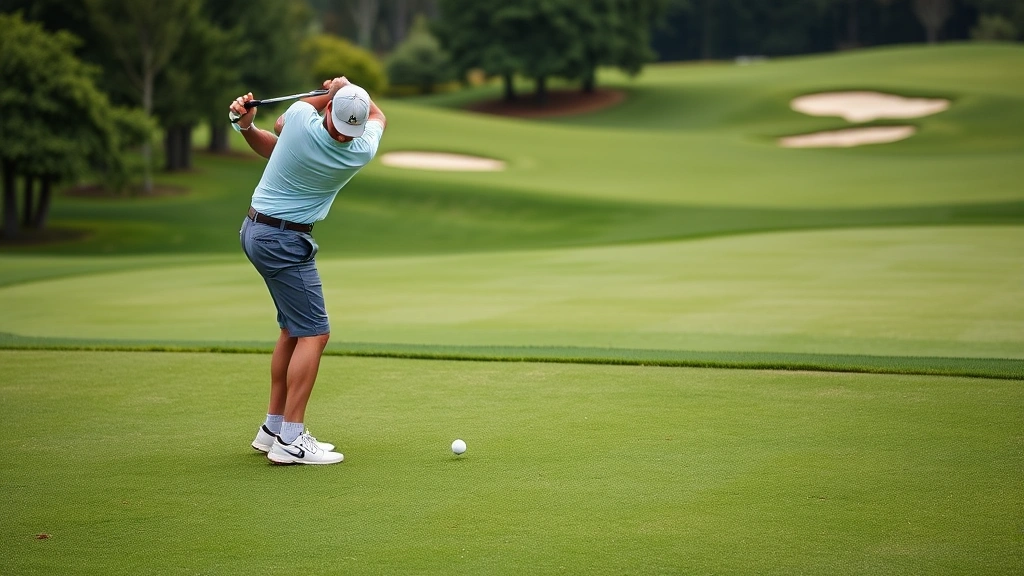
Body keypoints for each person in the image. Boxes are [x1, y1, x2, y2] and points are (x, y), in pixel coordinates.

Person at [229, 77, 386, 465]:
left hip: (256, 231)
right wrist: (350, 88)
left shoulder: (300, 119)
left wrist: (246, 126)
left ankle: (273, 429)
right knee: (315, 332)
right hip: (283, 242)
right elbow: (379, 115)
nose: (345, 135)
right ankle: (291, 439)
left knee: (293, 330)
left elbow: (278, 136)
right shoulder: (361, 149)